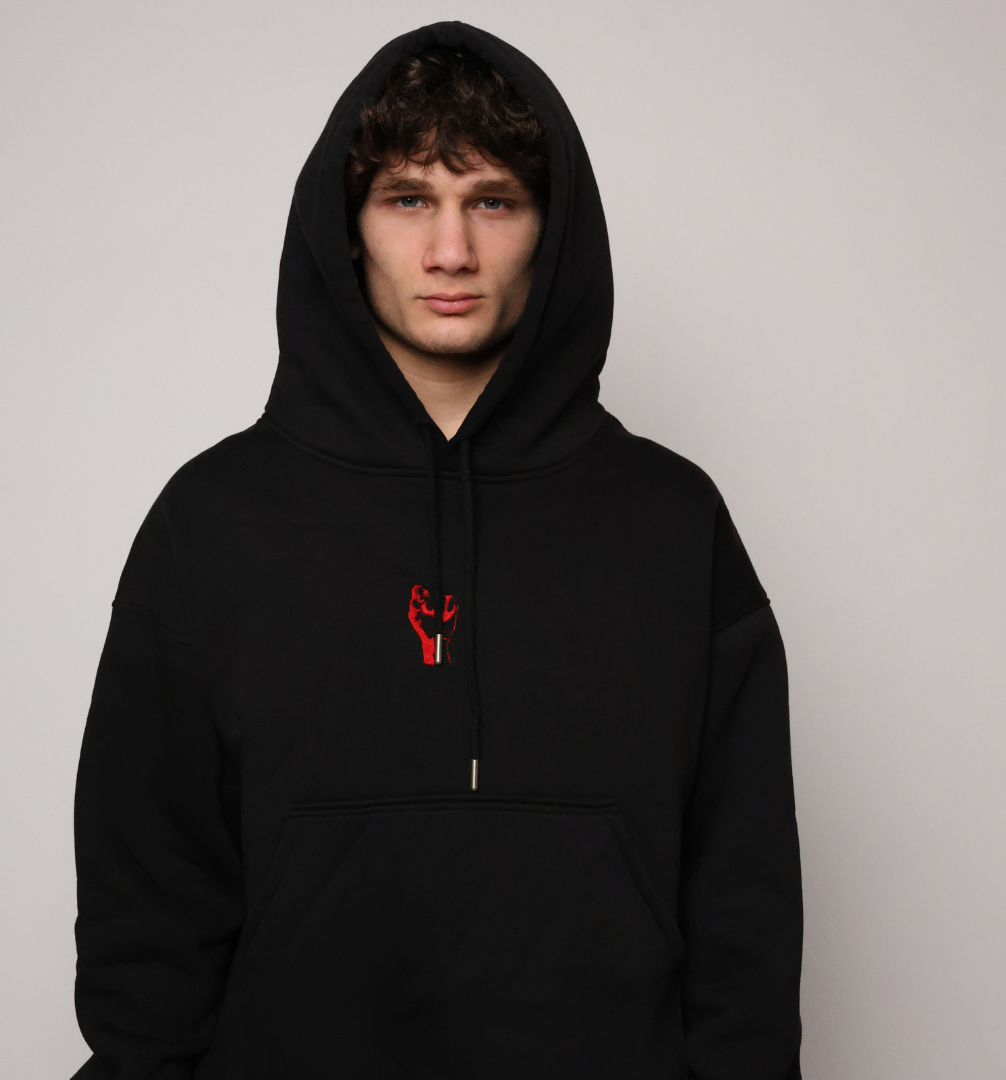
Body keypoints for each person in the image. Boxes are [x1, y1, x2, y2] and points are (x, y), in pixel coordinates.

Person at [72, 21, 802, 1080]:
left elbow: (745, 914)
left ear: (551, 229)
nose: (450, 251)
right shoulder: (213, 523)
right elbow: (147, 909)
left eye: (492, 201)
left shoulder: (674, 524)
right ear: (348, 228)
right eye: (408, 198)